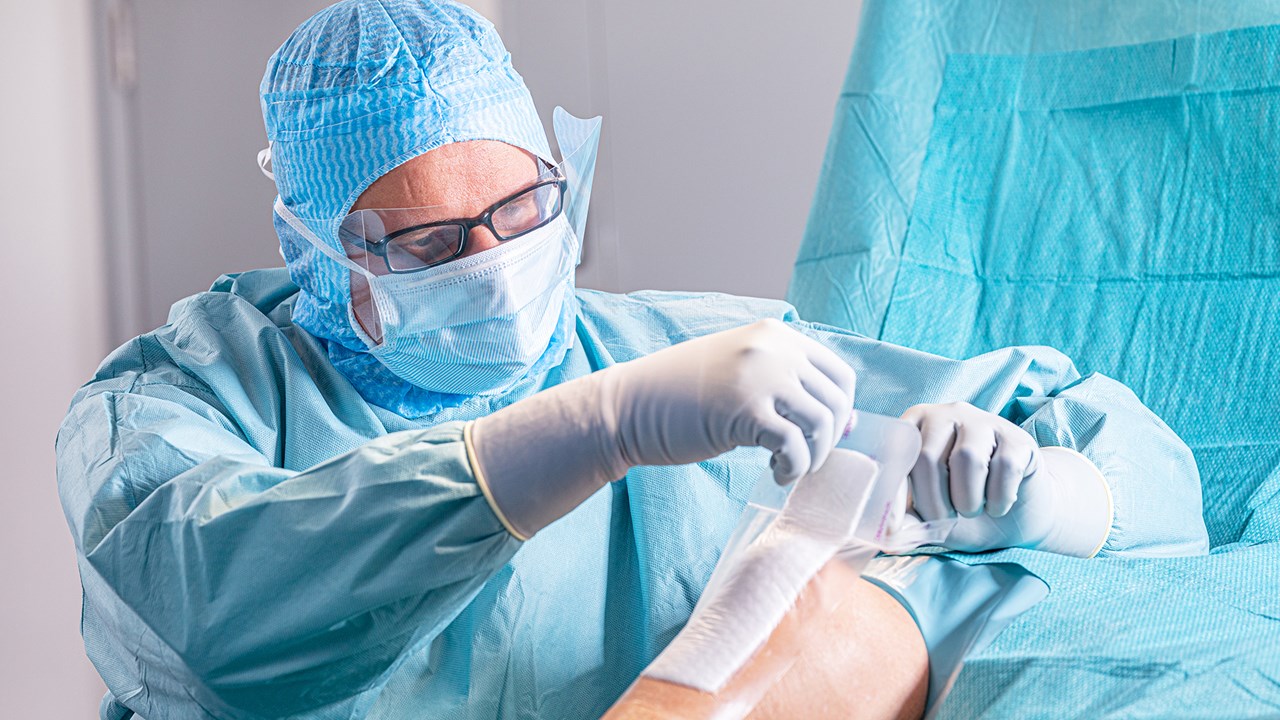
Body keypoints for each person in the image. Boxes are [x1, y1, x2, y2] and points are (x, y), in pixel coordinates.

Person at [55, 2, 1209, 719]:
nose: (493, 262)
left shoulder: (694, 362)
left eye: (522, 208)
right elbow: (207, 621)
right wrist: (587, 432)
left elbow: (1128, 462)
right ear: (315, 243)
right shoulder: (180, 401)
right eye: (429, 242)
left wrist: (1034, 492)